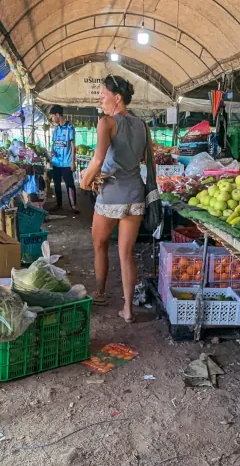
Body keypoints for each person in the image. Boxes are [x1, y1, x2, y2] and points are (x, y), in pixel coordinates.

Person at [80, 75, 149, 323]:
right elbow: (142, 159)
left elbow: (98, 160)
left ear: (117, 97)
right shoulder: (142, 124)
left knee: (99, 244)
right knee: (126, 254)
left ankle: (100, 293)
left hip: (111, 195)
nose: (101, 98)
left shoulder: (106, 122)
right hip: (135, 195)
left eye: (103, 94)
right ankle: (128, 309)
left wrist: (85, 180)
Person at [47, 105, 79, 213]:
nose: (52, 119)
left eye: (52, 116)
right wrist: (52, 151)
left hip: (67, 163)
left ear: (57, 115)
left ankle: (73, 206)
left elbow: (73, 146)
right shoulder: (56, 129)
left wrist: (73, 163)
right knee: (56, 184)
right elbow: (53, 143)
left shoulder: (70, 128)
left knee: (70, 184)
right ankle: (59, 204)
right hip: (56, 162)